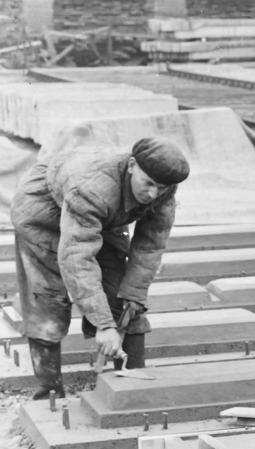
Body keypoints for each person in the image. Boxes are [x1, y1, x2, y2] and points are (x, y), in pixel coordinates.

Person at [11, 136, 190, 398]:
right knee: (47, 299)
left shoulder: (165, 188)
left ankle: (132, 381)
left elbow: (150, 244)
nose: (153, 194)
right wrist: (104, 326)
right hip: (41, 215)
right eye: (148, 184)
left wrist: (134, 295)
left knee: (124, 298)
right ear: (132, 165)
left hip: (97, 216)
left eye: (160, 188)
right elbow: (77, 258)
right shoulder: (93, 189)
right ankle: (49, 391)